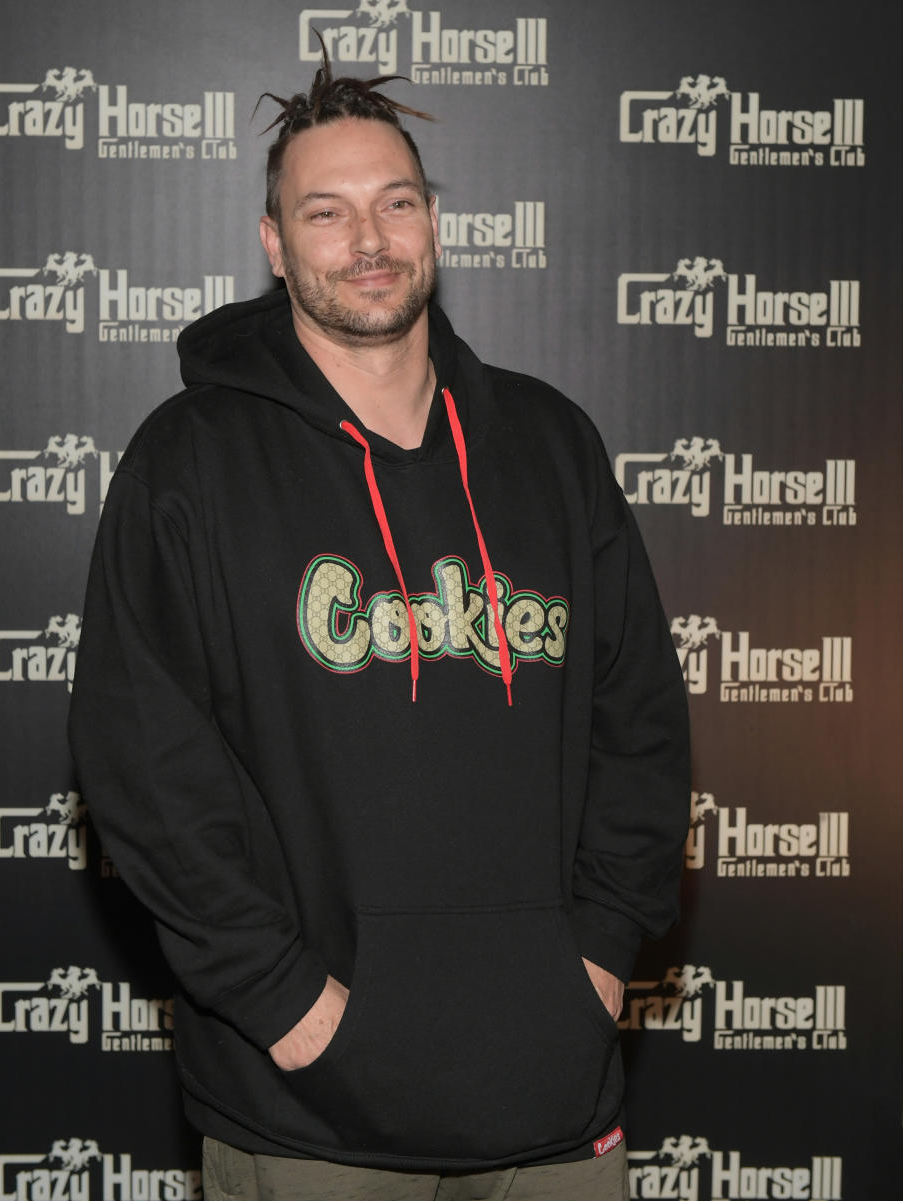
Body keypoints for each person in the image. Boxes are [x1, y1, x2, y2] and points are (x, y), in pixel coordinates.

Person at [69, 53, 690, 1201]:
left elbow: (639, 720)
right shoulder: (190, 461)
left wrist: (601, 952)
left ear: (433, 222)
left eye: (396, 202)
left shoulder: (551, 445)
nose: (370, 237)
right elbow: (145, 766)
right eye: (328, 210)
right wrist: (283, 1003)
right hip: (305, 1107)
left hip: (553, 1093)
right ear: (274, 244)